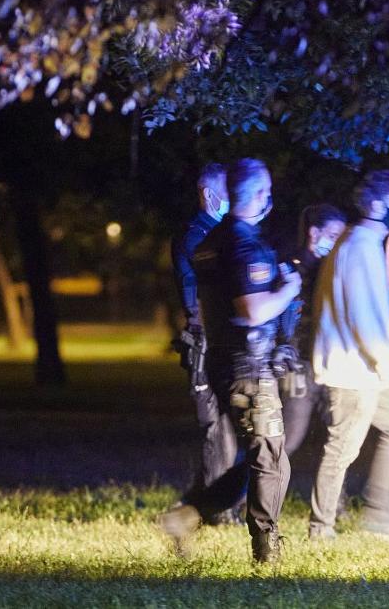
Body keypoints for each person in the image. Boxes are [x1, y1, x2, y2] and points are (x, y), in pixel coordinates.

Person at [159, 158, 302, 563]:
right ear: (257, 194)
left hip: (223, 362)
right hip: (249, 366)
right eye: (266, 190)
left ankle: (189, 515)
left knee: (265, 457)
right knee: (271, 460)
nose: (270, 198)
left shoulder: (210, 242)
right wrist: (289, 290)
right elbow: (253, 310)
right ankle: (265, 548)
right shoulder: (243, 243)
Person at [309, 169, 389, 539]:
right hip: (353, 369)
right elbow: (362, 317)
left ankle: (381, 515)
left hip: (365, 367)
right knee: (342, 448)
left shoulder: (365, 242)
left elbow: (360, 309)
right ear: (377, 205)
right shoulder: (361, 246)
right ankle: (321, 529)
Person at [168, 163, 238, 523]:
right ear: (209, 195)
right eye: (228, 191)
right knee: (216, 427)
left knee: (230, 424)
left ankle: (207, 501)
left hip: (221, 338)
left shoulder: (221, 233)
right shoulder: (197, 237)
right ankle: (216, 511)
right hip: (205, 341)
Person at [280, 204, 348, 457]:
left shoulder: (333, 269)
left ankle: (334, 498)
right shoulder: (291, 269)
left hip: (331, 363)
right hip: (301, 365)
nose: (336, 243)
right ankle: (240, 494)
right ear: (313, 233)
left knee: (339, 437)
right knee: (289, 439)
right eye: (332, 236)